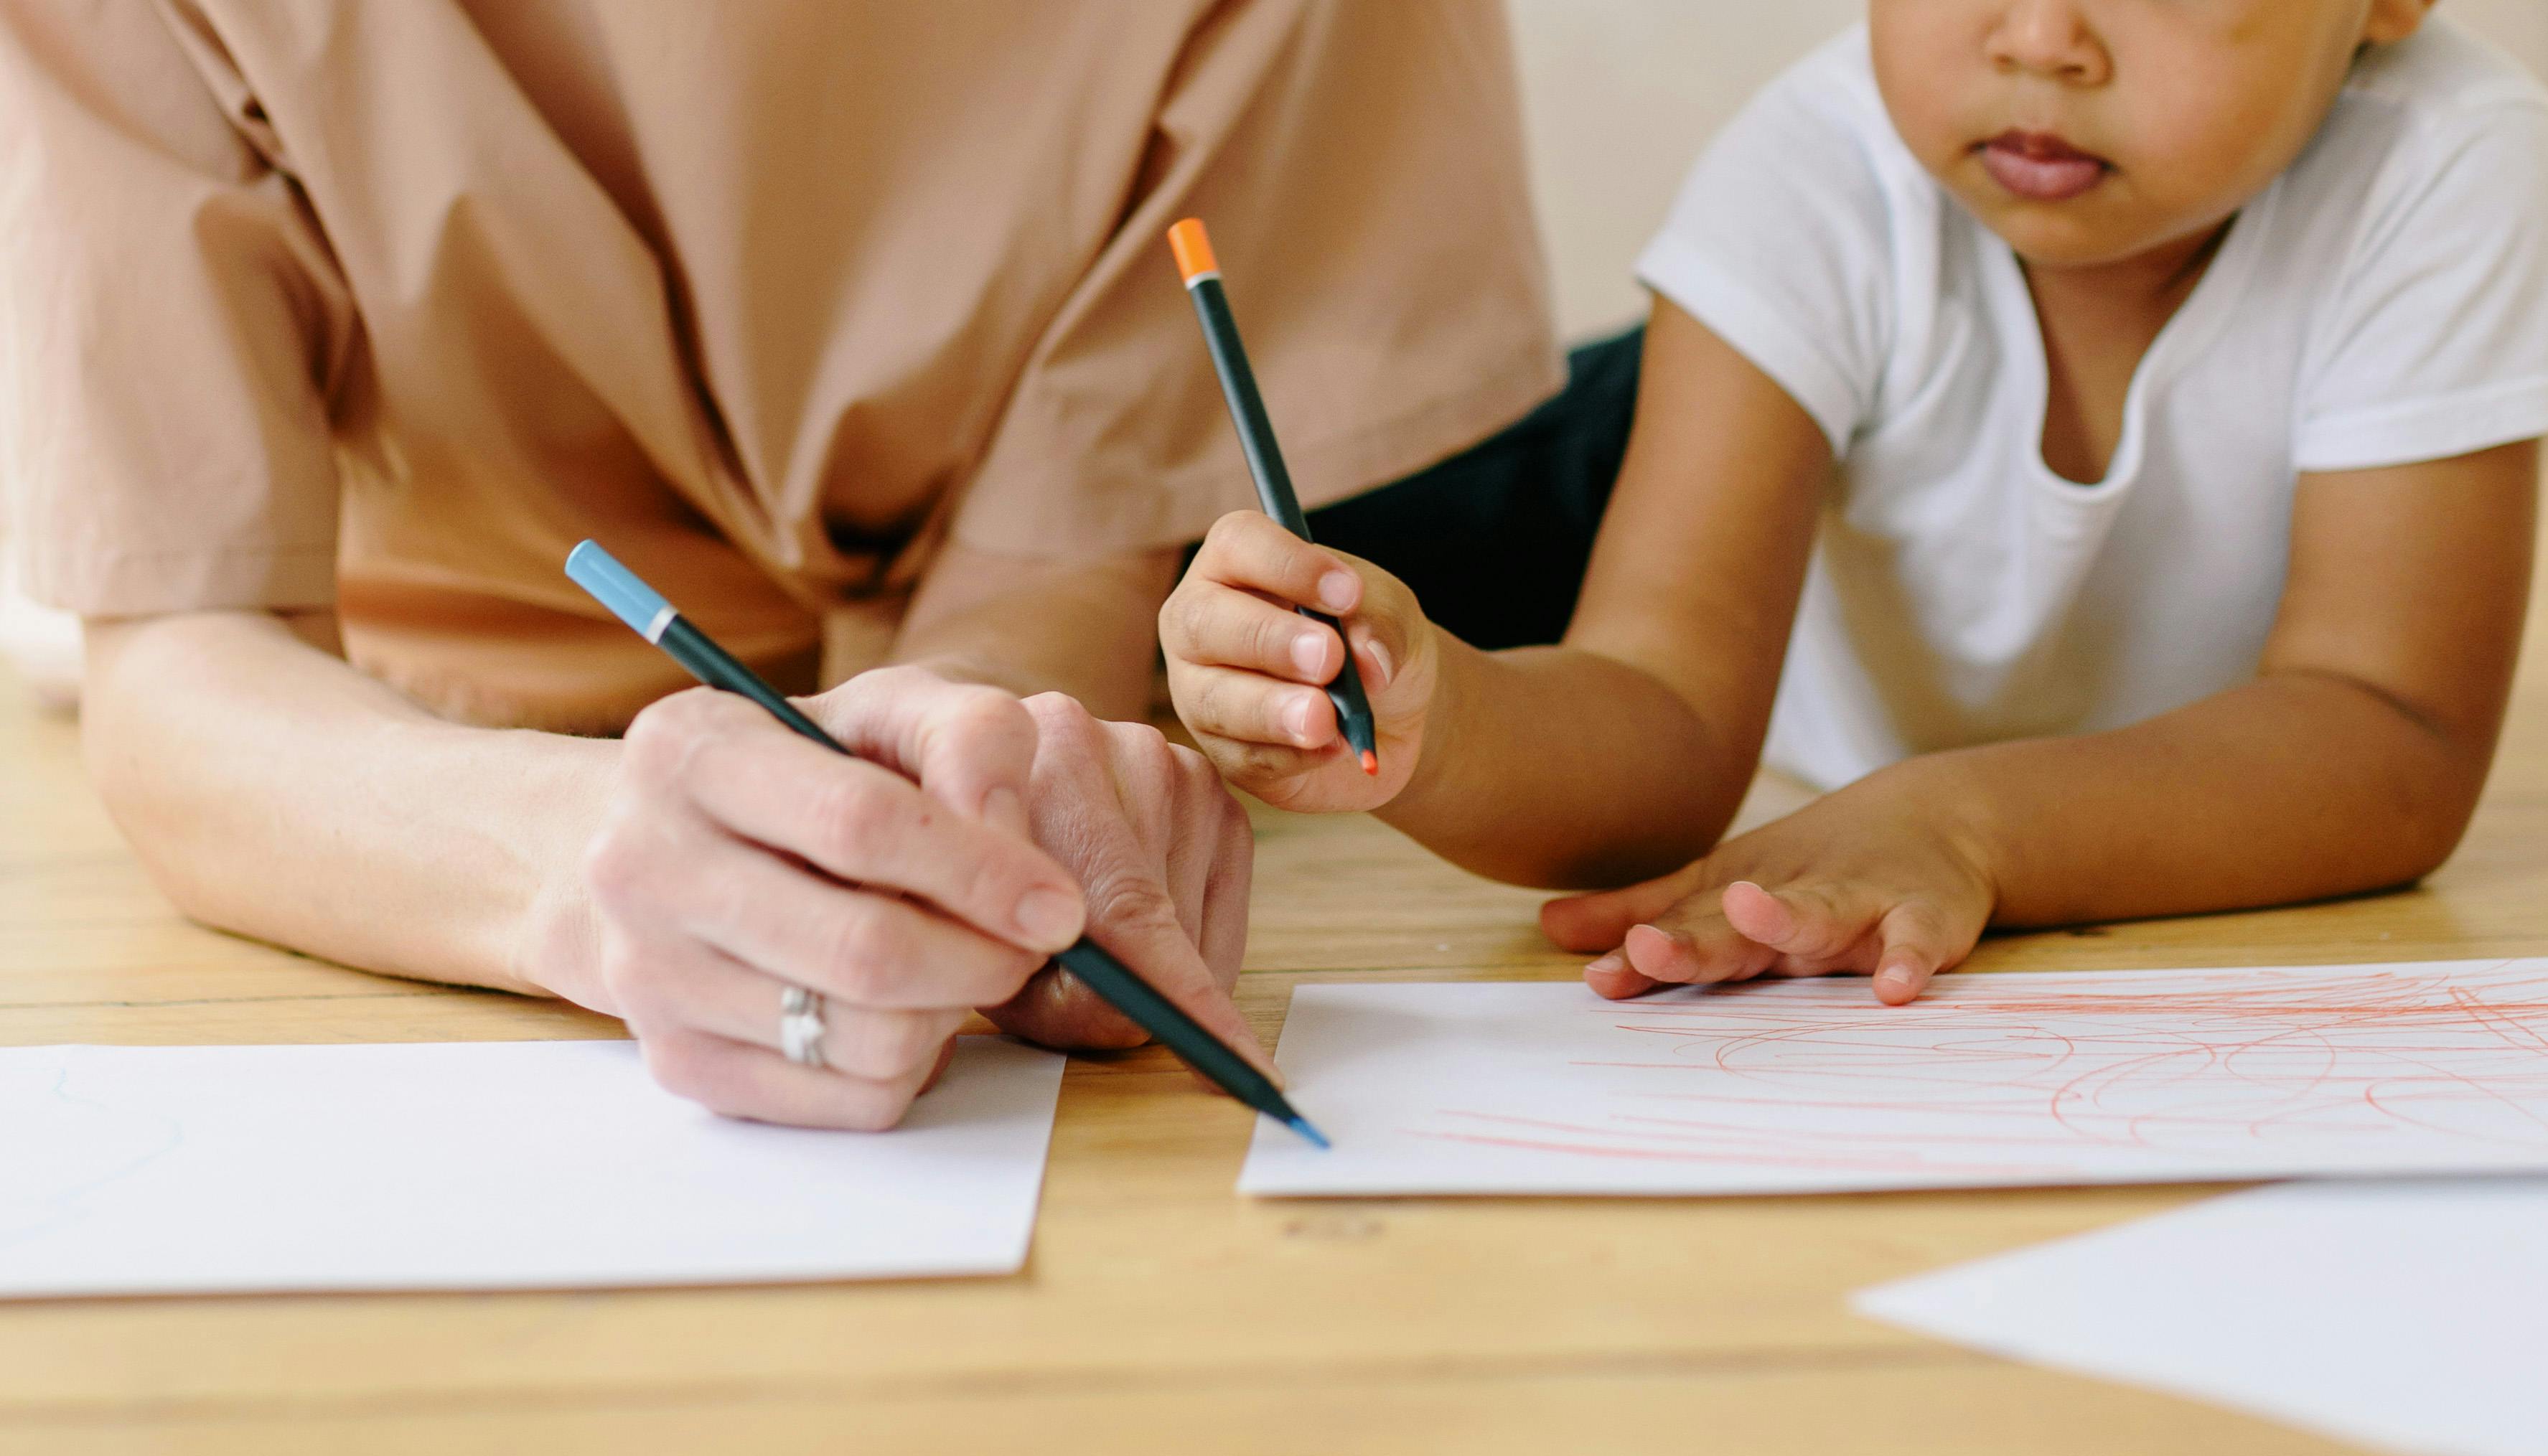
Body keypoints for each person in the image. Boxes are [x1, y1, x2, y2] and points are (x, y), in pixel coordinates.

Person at [0, 1, 1560, 1127]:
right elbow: (184, 666)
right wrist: (575, 852)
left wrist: (965, 772)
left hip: (1033, 698)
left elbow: (1062, 563)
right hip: (403, 787)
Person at [1163, 0, 2548, 1005]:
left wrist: (1963, 824)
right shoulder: (1809, 172)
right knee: (1282, 568)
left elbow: (2390, 734)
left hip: (1898, 663)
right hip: (1644, 434)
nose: (2041, 37)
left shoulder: (2448, 153)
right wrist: (1439, 724)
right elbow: (1656, 710)